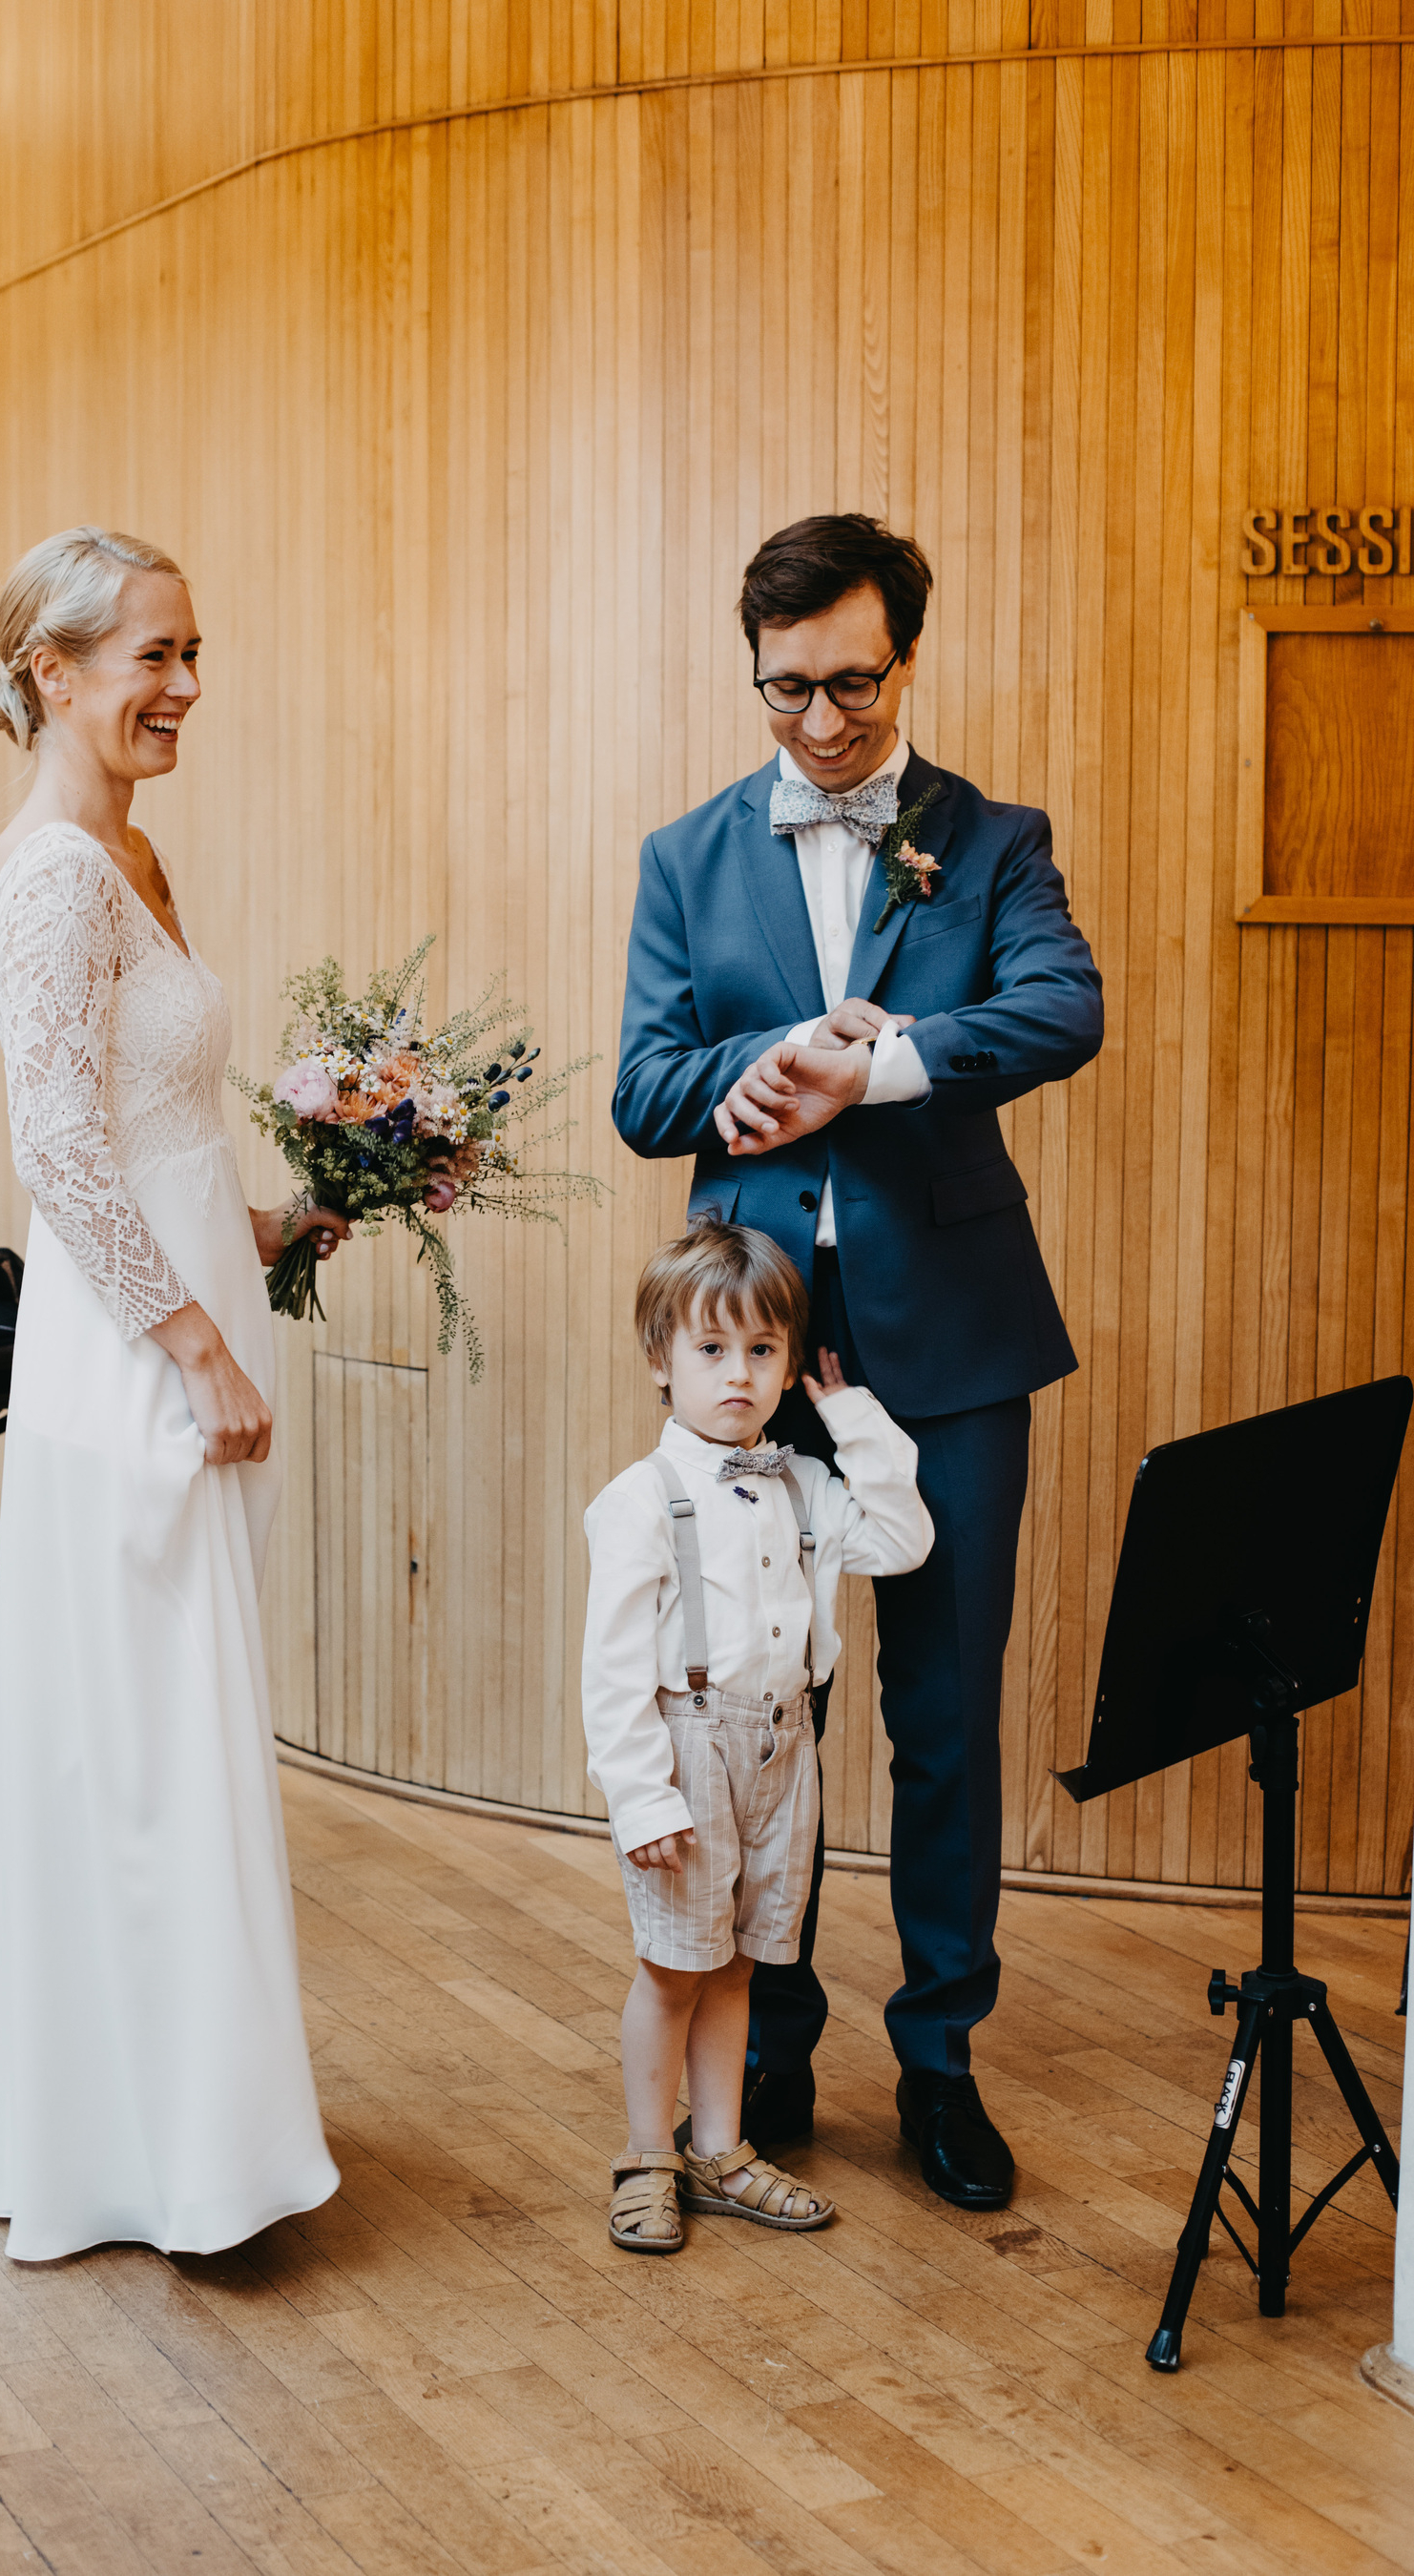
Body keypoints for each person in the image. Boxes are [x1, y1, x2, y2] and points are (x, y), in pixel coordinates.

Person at [613, 515, 1103, 2212]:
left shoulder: (992, 839)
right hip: (749, 1365)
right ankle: (770, 2039)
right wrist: (755, 1064)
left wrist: (880, 1068)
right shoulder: (686, 856)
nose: (820, 724)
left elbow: (1061, 1010)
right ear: (753, 673)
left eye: (851, 684)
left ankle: (943, 2063)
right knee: (760, 1713)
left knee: (948, 1717)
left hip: (955, 1355)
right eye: (785, 691)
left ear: (906, 656)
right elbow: (643, 1089)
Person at [0, 526, 354, 2260]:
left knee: (168, 1740)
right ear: (55, 669)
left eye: (197, 653)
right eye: (154, 656)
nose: (187, 686)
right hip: (130, 1371)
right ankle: (161, 2161)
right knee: (140, 1751)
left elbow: (148, 1129)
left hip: (187, 1315)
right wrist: (193, 1344)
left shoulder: (133, 853)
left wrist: (276, 1220)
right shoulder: (53, 872)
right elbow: (51, 1145)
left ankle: (164, 2131)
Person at [583, 1222, 932, 2253]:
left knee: (740, 1965)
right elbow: (612, 1674)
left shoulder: (807, 1486)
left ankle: (721, 2151)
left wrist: (850, 1418)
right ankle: (649, 2155)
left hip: (788, 1750)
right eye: (710, 1350)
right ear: (661, 1359)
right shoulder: (641, 1500)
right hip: (688, 1754)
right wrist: (643, 1797)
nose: (739, 1374)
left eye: (763, 1351)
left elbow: (905, 1542)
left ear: (789, 1361)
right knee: (673, 1966)